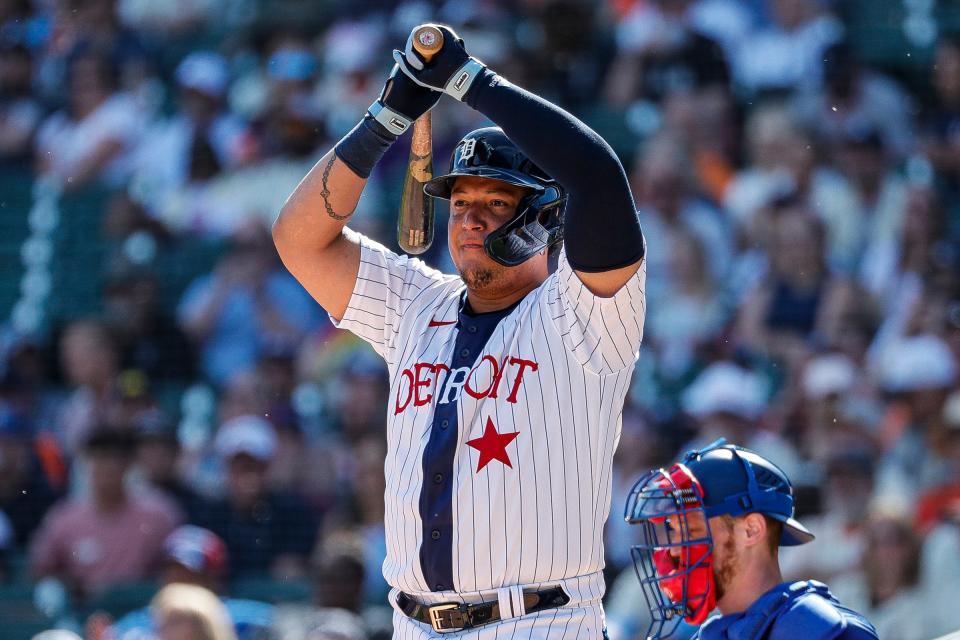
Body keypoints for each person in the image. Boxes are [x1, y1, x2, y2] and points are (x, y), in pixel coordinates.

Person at [273, 23, 646, 638]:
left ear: (543, 217)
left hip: (540, 620)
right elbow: (297, 238)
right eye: (461, 202)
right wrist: (389, 116)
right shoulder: (420, 304)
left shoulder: (584, 312)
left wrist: (470, 82)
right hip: (414, 623)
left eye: (496, 203)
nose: (469, 219)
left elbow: (599, 179)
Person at [624, 439, 878, 639]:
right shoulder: (712, 634)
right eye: (674, 532)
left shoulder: (826, 632)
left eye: (691, 531)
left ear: (751, 530)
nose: (675, 552)